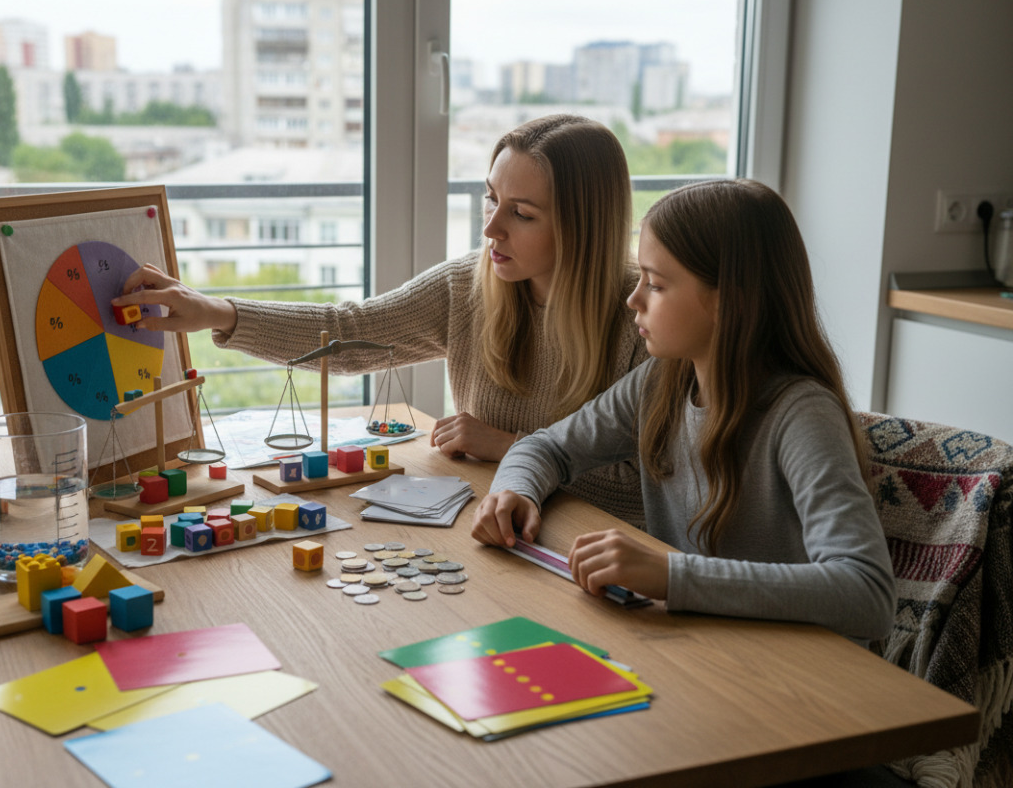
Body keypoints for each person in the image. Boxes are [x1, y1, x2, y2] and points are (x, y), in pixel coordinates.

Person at [114, 114, 651, 519]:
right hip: (495, 528)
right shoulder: (469, 283)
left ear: (583, 225)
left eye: (522, 213)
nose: (491, 229)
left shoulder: (643, 318)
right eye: (491, 200)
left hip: (586, 547)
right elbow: (350, 333)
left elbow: (646, 493)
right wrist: (217, 311)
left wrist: (508, 446)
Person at [470, 178, 896, 643]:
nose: (634, 299)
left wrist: (673, 575)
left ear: (725, 302)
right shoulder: (662, 383)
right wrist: (517, 491)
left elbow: (866, 594)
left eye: (654, 284)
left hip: (792, 674)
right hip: (702, 644)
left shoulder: (802, 416)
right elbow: (547, 447)